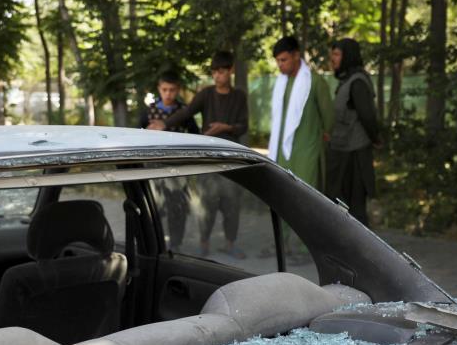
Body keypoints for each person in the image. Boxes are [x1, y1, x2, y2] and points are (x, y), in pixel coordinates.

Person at [148, 51, 249, 258]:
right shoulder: (206, 94)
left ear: (230, 71)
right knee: (207, 201)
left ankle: (231, 243)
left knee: (231, 202)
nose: (218, 76)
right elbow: (186, 112)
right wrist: (164, 124)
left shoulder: (239, 96)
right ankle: (204, 244)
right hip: (209, 155)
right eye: (215, 72)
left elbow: (243, 126)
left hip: (232, 156)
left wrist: (225, 127)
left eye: (222, 71)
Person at [141, 70, 199, 252]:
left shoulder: (184, 112)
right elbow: (136, 136)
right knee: (153, 207)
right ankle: (153, 245)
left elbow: (196, 136)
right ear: (159, 88)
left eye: (172, 90)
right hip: (153, 169)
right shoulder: (148, 112)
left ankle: (176, 244)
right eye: (164, 89)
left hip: (178, 171)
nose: (168, 94)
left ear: (178, 90)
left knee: (178, 209)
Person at [326, 38, 380, 226]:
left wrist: (375, 138)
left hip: (356, 155)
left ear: (348, 56)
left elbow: (367, 116)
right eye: (332, 54)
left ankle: (360, 252)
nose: (332, 59)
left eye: (337, 54)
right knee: (340, 205)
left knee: (356, 209)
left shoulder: (357, 82)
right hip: (342, 153)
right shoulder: (346, 81)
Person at [268, 36, 334, 190]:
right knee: (283, 197)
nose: (280, 65)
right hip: (281, 154)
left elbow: (329, 119)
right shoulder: (280, 84)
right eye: (278, 61)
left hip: (307, 155)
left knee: (307, 199)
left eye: (283, 60)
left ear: (296, 55)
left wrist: (321, 136)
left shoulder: (315, 82)